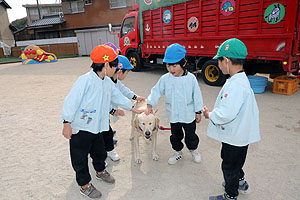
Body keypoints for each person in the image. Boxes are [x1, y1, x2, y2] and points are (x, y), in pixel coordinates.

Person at [61, 45, 142, 199]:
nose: (116, 69)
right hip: (81, 128)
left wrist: (132, 108)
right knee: (80, 157)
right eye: (114, 65)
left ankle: (100, 171)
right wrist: (66, 123)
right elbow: (70, 102)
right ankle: (84, 185)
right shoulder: (85, 80)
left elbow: (116, 96)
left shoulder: (106, 82)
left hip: (98, 127)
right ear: (105, 65)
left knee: (100, 152)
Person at [203, 38, 261, 200]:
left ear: (226, 61)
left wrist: (210, 115)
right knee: (236, 162)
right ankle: (240, 182)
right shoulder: (241, 80)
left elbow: (226, 114)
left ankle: (230, 194)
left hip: (235, 136)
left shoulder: (236, 85)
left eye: (219, 60)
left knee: (229, 165)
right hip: (240, 135)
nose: (218, 64)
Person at [145, 43, 204, 165]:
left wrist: (198, 111)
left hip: (188, 114)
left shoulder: (191, 79)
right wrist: (150, 104)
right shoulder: (165, 79)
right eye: (168, 65)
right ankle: (178, 152)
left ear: (184, 63)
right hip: (174, 114)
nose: (171, 69)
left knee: (190, 134)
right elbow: (156, 91)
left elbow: (197, 96)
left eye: (174, 65)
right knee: (175, 135)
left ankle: (193, 150)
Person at [103, 55, 145, 162]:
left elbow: (124, 90)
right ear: (120, 71)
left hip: (106, 112)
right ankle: (108, 150)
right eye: (127, 72)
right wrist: (114, 110)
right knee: (104, 132)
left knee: (105, 130)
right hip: (101, 112)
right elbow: (105, 101)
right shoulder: (106, 82)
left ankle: (106, 143)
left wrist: (135, 97)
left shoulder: (116, 81)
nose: (127, 75)